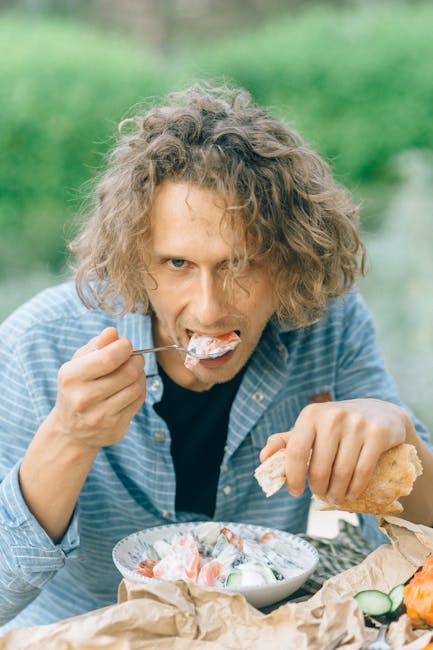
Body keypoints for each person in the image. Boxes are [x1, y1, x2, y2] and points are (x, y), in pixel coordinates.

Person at [1, 81, 432, 632]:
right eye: (178, 263)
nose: (208, 309)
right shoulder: (37, 344)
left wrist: (400, 437)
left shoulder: (328, 327)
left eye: (241, 263)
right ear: (134, 258)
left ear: (291, 262)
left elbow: (423, 547)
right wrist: (67, 437)